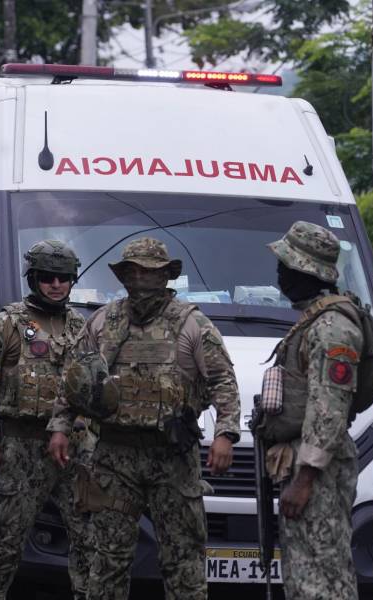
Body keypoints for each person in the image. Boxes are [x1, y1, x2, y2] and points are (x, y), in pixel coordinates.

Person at [47, 237, 241, 600]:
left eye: (149, 271)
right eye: (133, 271)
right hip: (114, 457)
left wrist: (225, 433)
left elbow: (222, 381)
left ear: (165, 275)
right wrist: (60, 426)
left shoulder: (191, 323)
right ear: (123, 275)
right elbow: (75, 377)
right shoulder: (104, 320)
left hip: (171, 458)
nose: (140, 279)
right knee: (107, 559)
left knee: (183, 560)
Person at [0, 240, 96, 600]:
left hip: (74, 449)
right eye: (47, 277)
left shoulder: (81, 327)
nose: (56, 285)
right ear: (33, 278)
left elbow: (94, 384)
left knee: (90, 540)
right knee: (4, 541)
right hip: (22, 446)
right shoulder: (6, 324)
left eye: (63, 278)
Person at [265, 221, 362, 599]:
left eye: (286, 266)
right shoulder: (314, 321)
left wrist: (305, 479)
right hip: (306, 463)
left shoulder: (332, 328)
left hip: (318, 470)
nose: (279, 274)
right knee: (304, 574)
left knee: (324, 575)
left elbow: (329, 409)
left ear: (307, 271)